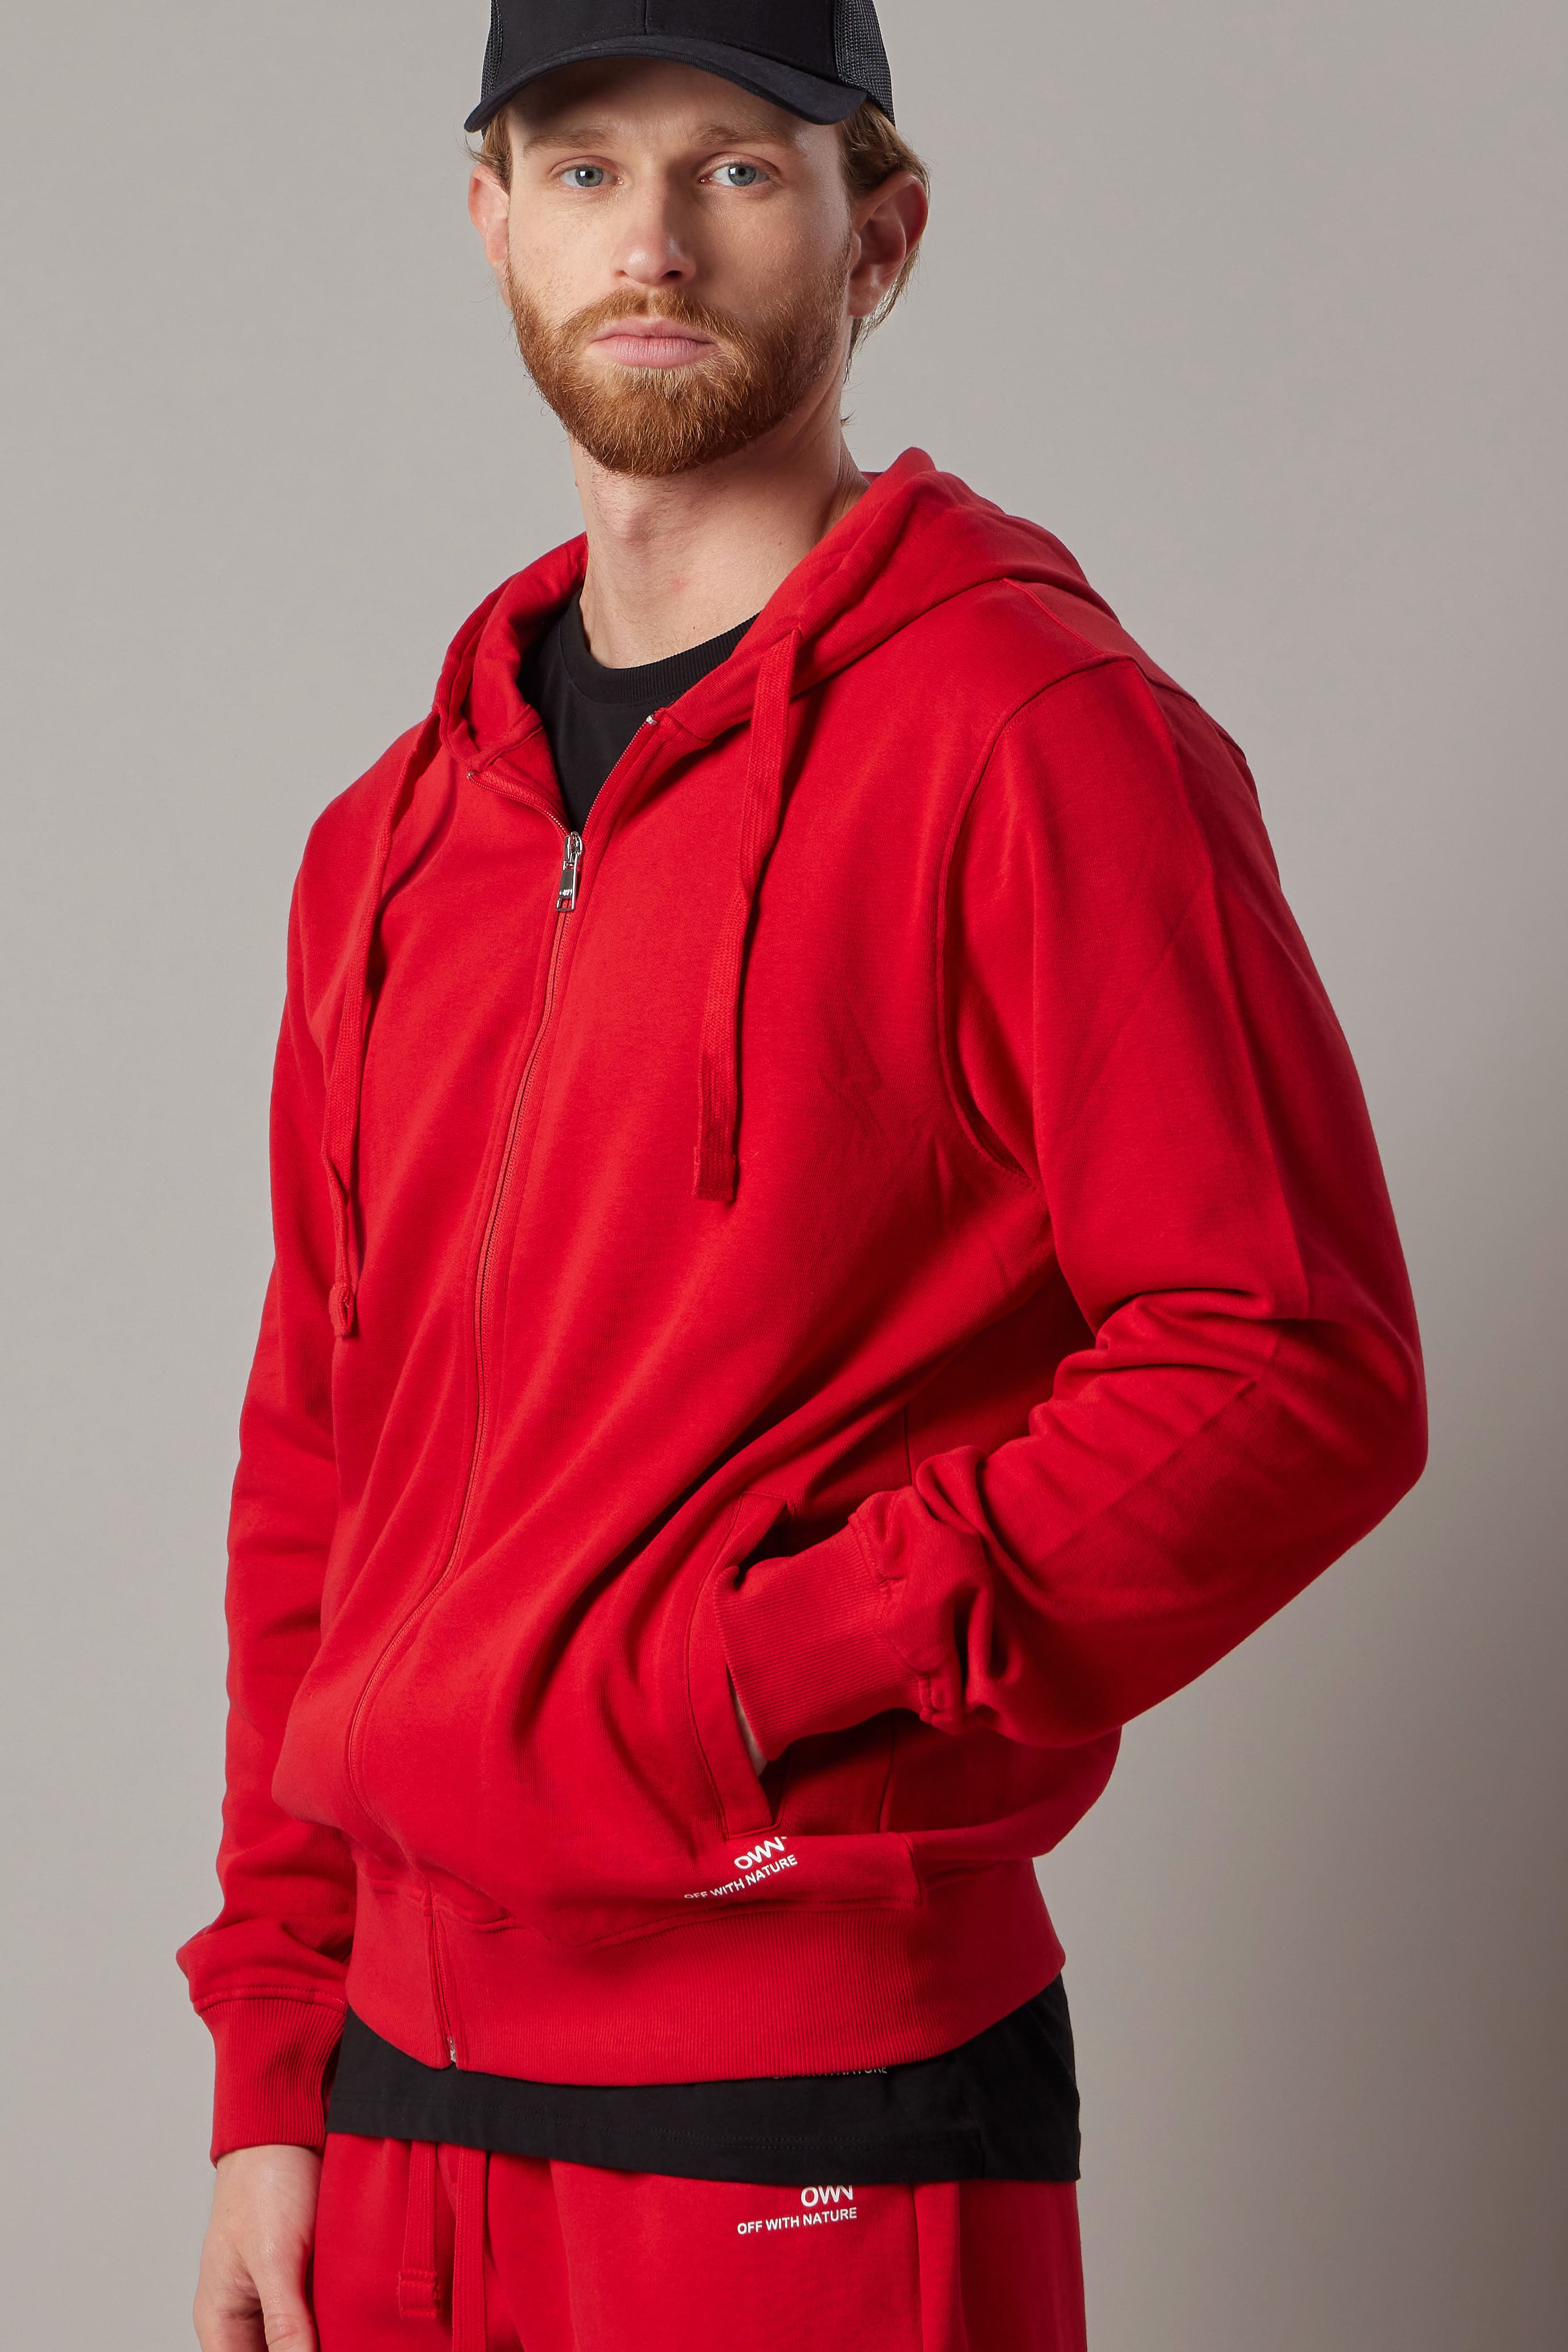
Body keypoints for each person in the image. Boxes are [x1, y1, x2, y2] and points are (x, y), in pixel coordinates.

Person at [179, 4, 1427, 2346]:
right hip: (398, 2127)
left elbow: (1295, 1361)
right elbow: (315, 1482)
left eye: (739, 166)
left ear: (882, 235)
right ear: (493, 223)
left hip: (805, 2102)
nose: (650, 238)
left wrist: (765, 1672)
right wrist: (275, 2059)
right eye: (583, 168)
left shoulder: (1034, 735)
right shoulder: (391, 843)